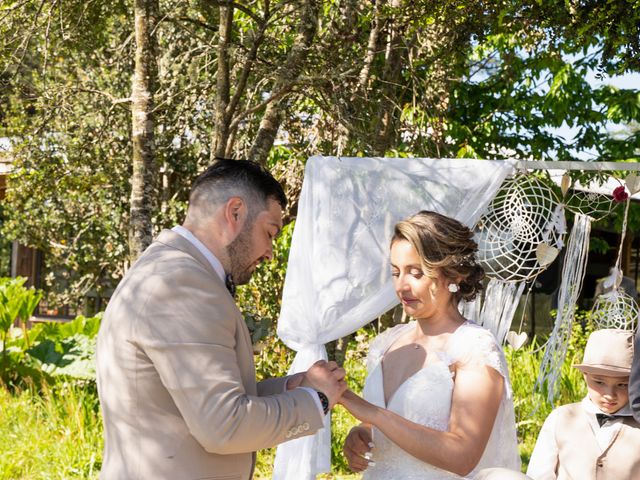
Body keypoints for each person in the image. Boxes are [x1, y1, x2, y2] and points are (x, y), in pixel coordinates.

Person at [96, 159, 347, 479]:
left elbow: (200, 401)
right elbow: (224, 425)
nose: (270, 252)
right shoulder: (181, 285)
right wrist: (316, 399)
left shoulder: (171, 270)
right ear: (235, 213)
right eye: (270, 232)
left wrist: (291, 388)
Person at [340, 210, 520, 479]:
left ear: (453, 276)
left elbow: (463, 456)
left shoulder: (474, 347)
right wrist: (361, 434)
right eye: (396, 272)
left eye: (416, 273)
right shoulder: (387, 343)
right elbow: (381, 426)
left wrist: (374, 415)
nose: (402, 286)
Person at [527, 328, 640, 480]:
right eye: (599, 382)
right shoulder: (561, 418)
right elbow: (538, 474)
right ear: (585, 376)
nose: (609, 394)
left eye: (622, 385)